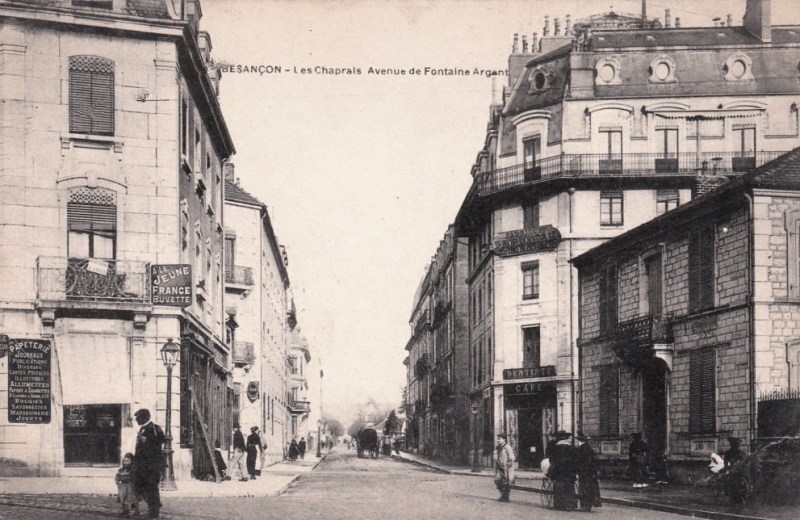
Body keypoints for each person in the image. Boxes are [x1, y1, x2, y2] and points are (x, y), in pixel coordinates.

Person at [133, 408, 164, 519]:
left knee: (151, 488)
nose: (136, 419)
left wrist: (148, 441)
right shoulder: (142, 429)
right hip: (142, 466)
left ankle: (154, 511)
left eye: (138, 417)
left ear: (145, 417)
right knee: (141, 487)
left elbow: (161, 441)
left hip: (152, 466)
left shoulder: (155, 428)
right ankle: (154, 506)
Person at [549, 430, 578, 511]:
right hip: (569, 471)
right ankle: (570, 505)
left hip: (559, 471)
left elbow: (551, 459)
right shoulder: (571, 447)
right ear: (566, 438)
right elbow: (575, 460)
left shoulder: (555, 448)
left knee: (559, 487)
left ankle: (559, 504)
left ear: (558, 438)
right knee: (569, 487)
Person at [575, 433, 602, 511]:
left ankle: (584, 504)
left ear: (580, 441)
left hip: (583, 471)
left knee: (583, 488)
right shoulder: (590, 448)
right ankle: (589, 505)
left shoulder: (580, 449)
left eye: (578, 440)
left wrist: (577, 470)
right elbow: (594, 461)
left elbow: (578, 461)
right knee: (591, 488)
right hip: (591, 471)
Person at [115, 452, 141, 517]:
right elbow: (117, 476)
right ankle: (125, 511)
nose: (125, 463)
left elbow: (134, 478)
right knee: (123, 498)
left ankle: (136, 511)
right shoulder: (121, 470)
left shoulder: (133, 470)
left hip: (131, 487)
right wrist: (117, 479)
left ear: (131, 462)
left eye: (127, 461)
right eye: (124, 461)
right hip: (122, 487)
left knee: (132, 499)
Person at [493, 432, 515, 502]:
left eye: (499, 439)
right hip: (499, 467)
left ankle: (505, 497)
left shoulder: (507, 448)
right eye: (498, 439)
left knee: (506, 482)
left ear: (504, 439)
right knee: (497, 480)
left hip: (506, 468)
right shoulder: (497, 447)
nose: (498, 440)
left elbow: (512, 457)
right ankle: (503, 495)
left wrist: (508, 465)